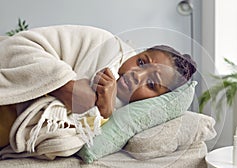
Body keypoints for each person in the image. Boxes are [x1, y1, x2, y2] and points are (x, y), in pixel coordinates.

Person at [0, 25, 197, 149]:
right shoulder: (103, 43)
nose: (137, 75)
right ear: (137, 53)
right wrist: (65, 86)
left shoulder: (120, 110)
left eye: (152, 84)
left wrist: (102, 112)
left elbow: (64, 142)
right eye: (141, 62)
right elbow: (19, 44)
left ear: (154, 99)